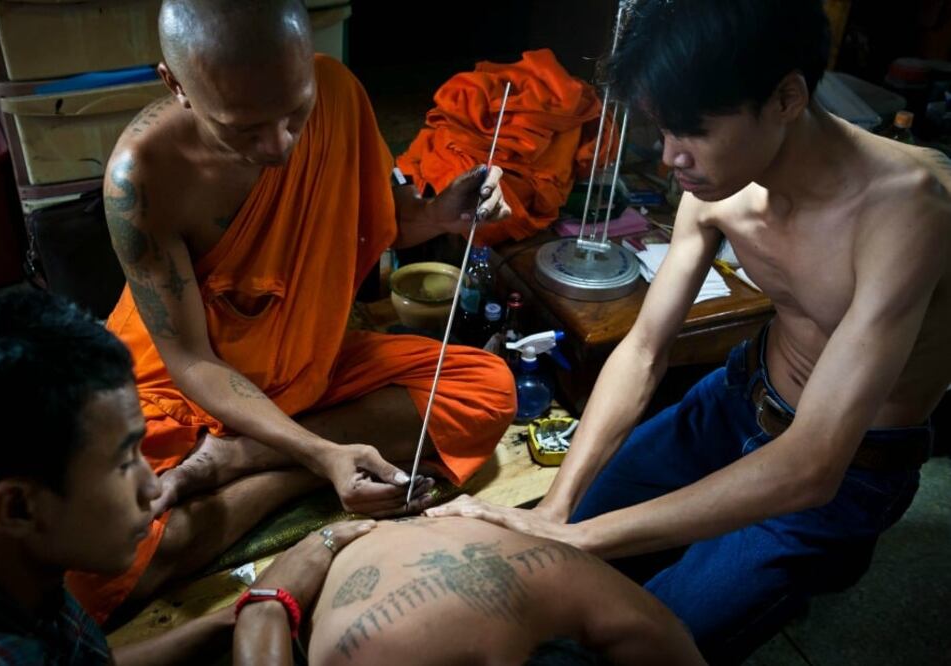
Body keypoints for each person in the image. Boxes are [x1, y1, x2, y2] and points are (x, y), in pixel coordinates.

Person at [427, 0, 951, 662]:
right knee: (545, 564)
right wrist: (556, 510)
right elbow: (645, 351)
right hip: (735, 399)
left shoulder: (910, 211)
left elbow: (814, 464)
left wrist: (582, 539)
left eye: (693, 131)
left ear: (787, 96)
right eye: (663, 131)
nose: (673, 157)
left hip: (843, 472)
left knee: (640, 641)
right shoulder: (718, 185)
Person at [80, 0, 517, 624]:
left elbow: (384, 220)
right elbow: (191, 362)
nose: (281, 145)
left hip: (311, 365)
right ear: (175, 84)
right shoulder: (141, 177)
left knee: (488, 390)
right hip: (186, 392)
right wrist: (322, 453)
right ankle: (306, 461)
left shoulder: (337, 92)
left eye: (294, 113)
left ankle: (250, 463)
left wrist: (445, 214)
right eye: (245, 129)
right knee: (92, 571)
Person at [0, 291, 374, 665]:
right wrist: (266, 613)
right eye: (125, 462)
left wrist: (230, 617)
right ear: (16, 508)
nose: (154, 485)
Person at [299, 516, 704, 666]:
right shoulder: (637, 626)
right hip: (350, 544)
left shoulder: (632, 623)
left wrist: (265, 604)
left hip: (345, 545)